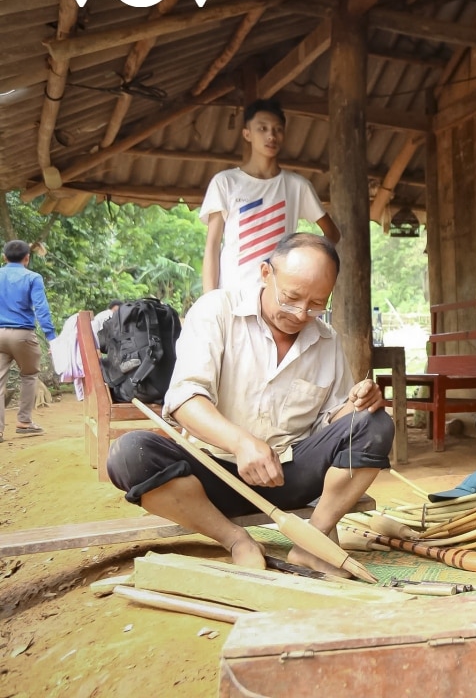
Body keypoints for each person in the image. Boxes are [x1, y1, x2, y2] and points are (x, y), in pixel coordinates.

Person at [107, 233, 394, 575]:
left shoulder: (326, 341)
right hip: (212, 475)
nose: (302, 313)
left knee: (376, 425)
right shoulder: (217, 311)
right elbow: (185, 398)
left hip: (289, 477)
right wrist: (242, 443)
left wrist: (358, 405)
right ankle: (235, 539)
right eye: (291, 297)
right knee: (130, 454)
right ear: (265, 274)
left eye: (318, 304)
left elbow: (332, 423)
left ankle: (312, 543)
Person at [200, 99, 340, 295]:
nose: (271, 135)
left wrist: (303, 257)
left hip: (278, 300)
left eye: (278, 129)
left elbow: (332, 234)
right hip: (232, 297)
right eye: (262, 128)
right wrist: (209, 300)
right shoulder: (225, 182)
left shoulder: (297, 186)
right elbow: (212, 247)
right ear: (247, 134)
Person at [0, 240, 57, 440]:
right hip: (23, 334)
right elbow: (41, 309)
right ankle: (24, 422)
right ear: (27, 258)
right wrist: (51, 337)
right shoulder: (32, 277)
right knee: (29, 375)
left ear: (4, 257)